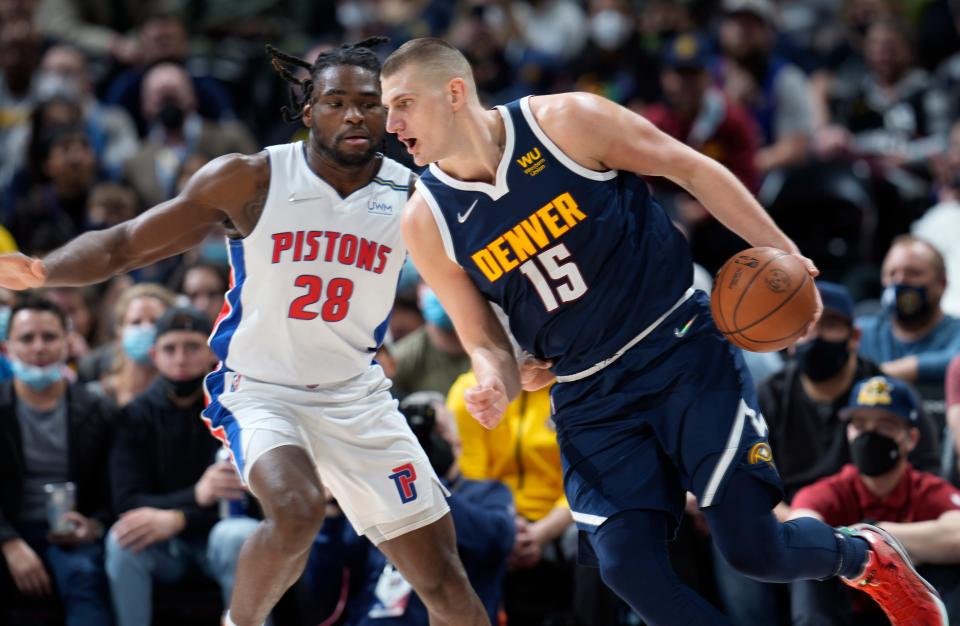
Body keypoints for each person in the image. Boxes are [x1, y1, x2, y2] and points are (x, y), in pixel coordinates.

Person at [379, 37, 947, 625]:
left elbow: (692, 168)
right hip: (588, 395)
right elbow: (482, 338)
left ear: (453, 93)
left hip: (678, 349)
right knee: (627, 569)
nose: (390, 124)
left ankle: (864, 554)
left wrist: (782, 252)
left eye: (401, 103)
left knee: (754, 548)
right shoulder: (426, 218)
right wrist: (495, 378)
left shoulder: (566, 122)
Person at [0, 37, 488, 626]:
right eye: (336, 102)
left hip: (356, 396)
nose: (355, 115)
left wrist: (512, 354)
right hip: (261, 389)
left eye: (370, 102)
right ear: (308, 112)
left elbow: (487, 278)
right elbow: (128, 243)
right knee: (297, 508)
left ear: (391, 111)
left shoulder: (412, 194)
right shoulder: (250, 179)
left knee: (446, 582)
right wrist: (44, 269)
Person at [105, 305, 257, 626]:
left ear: (212, 353)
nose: (180, 358)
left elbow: (257, 507)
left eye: (191, 347)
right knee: (122, 538)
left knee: (240, 534)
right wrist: (194, 500)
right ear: (154, 355)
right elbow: (127, 501)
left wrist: (180, 518)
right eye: (169, 349)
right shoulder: (135, 416)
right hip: (165, 546)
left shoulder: (238, 411)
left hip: (219, 538)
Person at [789, 375, 960, 624]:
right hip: (845, 613)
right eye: (860, 425)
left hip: (910, 612)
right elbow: (799, 535)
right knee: (808, 575)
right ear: (848, 432)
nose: (870, 434)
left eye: (884, 426)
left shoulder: (925, 489)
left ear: (911, 438)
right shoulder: (832, 490)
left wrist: (877, 535)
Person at [0, 297, 116, 626]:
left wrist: (93, 526)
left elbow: (116, 492)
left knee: (85, 576)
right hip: (8, 530)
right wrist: (9, 543)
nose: (39, 347)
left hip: (71, 535)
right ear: (7, 348)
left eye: (49, 337)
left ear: (68, 343)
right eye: (26, 338)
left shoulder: (99, 411)